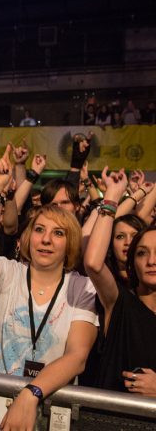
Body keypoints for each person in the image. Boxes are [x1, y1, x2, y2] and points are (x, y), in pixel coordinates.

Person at [0, 146, 98, 430]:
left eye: (59, 233)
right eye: (40, 230)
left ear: (69, 243)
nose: (46, 239)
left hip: (48, 411)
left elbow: (77, 357)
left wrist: (30, 395)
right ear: (28, 238)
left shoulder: (82, 287)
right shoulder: (8, 274)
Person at [84, 167, 156, 395]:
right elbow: (94, 263)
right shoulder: (121, 303)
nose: (152, 261)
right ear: (132, 262)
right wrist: (112, 197)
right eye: (142, 253)